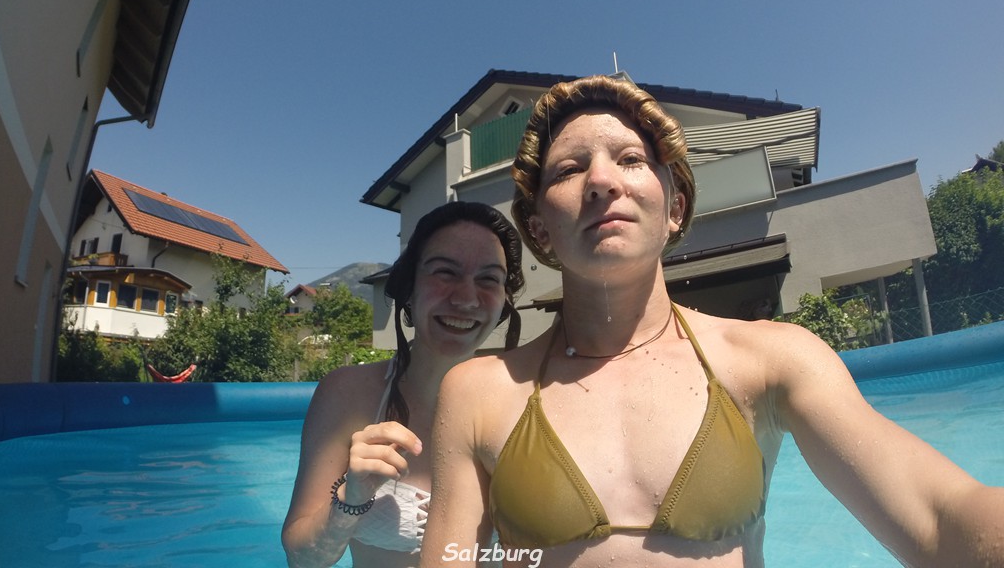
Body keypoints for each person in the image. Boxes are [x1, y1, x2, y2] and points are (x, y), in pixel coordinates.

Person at [420, 75, 1004, 568]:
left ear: (674, 208)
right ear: (539, 229)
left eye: (630, 160)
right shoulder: (478, 394)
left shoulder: (773, 361)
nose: (601, 180)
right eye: (570, 169)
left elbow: (940, 515)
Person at [282, 201, 525, 568]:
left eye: (489, 279)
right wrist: (351, 498)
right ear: (409, 287)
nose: (466, 298)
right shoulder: (349, 394)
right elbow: (302, 559)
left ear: (504, 300)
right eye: (445, 272)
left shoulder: (528, 404)